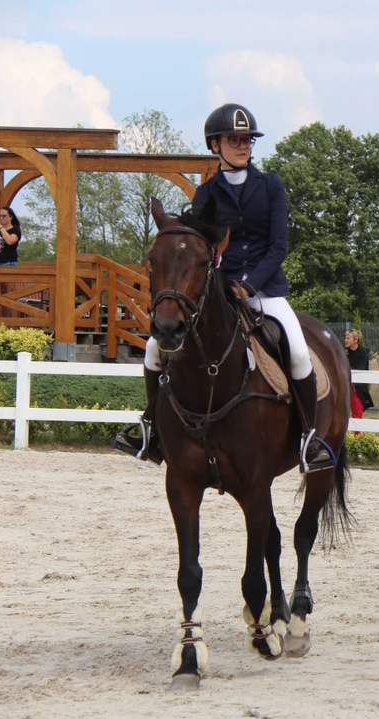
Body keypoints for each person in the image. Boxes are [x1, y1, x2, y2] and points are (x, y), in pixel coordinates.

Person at [114, 103, 322, 468]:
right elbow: (199, 247)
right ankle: (152, 429)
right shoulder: (205, 193)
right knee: (152, 350)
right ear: (215, 146)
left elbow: (278, 247)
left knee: (300, 354)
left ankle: (308, 438)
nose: (243, 146)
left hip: (265, 289)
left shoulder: (271, 186)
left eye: (247, 140)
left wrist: (250, 284)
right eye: (234, 139)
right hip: (219, 289)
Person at [345, 329, 374, 434]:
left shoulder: (363, 353)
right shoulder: (344, 352)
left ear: (355, 340)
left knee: (357, 416)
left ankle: (357, 440)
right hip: (345, 386)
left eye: (348, 338)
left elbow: (360, 370)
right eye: (345, 338)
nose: (345, 340)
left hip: (357, 388)